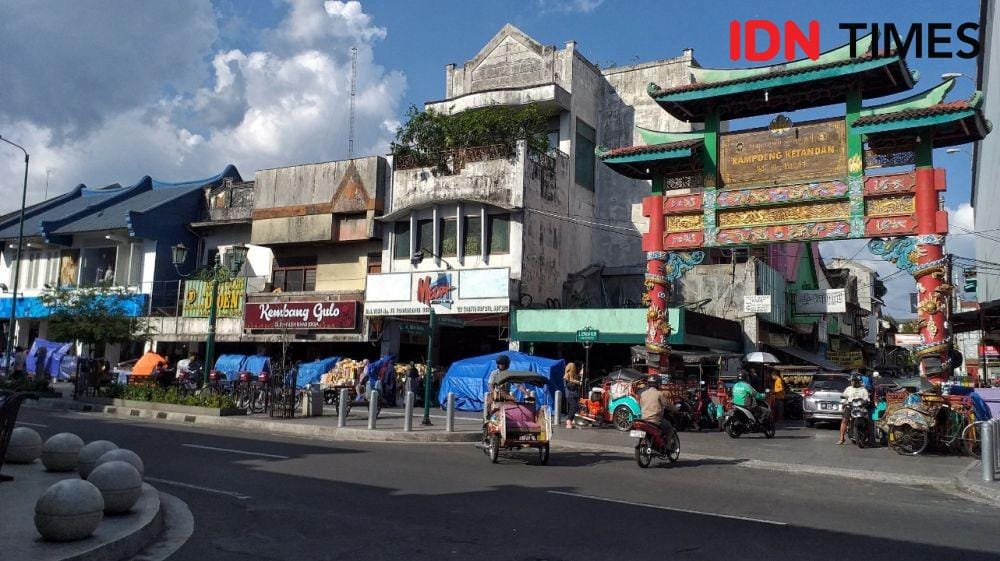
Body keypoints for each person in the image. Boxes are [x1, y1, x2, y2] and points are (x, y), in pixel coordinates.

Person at [838, 374, 870, 444]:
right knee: (844, 420)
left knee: (867, 420)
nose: (852, 382)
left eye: (853, 381)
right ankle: (842, 438)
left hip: (860, 407)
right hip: (850, 406)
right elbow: (844, 397)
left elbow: (867, 399)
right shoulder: (848, 389)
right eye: (852, 381)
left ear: (858, 381)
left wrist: (867, 402)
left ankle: (868, 436)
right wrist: (844, 404)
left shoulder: (863, 390)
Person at [563, 362, 582, 429]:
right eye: (573, 367)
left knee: (574, 407)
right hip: (569, 394)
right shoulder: (567, 375)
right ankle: (568, 421)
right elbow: (569, 386)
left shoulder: (575, 375)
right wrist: (576, 382)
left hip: (574, 394)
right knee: (574, 406)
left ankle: (570, 421)